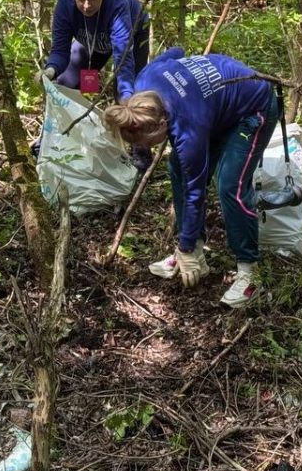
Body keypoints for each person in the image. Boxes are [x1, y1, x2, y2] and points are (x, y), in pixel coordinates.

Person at [103, 48, 278, 307]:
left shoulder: (188, 130)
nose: (152, 147)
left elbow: (196, 192)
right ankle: (196, 249)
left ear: (162, 125)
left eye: (149, 143)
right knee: (176, 167)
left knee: (231, 185)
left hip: (253, 108)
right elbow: (176, 52)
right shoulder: (143, 84)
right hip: (215, 109)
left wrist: (183, 249)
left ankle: (250, 275)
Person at [41, 0, 151, 169]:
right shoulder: (65, 4)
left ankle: (140, 149)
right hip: (92, 42)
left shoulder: (117, 3)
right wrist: (50, 70)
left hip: (133, 35)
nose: (87, 5)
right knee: (64, 84)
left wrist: (126, 98)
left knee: (130, 91)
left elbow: (123, 59)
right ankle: (63, 142)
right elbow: (60, 50)